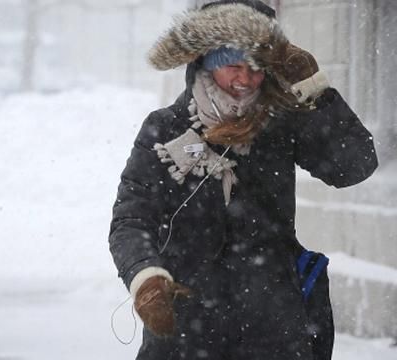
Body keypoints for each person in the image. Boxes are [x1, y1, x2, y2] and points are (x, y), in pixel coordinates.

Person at [108, 1, 378, 359]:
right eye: (233, 65)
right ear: (205, 61)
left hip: (273, 327)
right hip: (186, 330)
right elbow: (131, 219)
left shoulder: (282, 123)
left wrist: (314, 89)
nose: (245, 79)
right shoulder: (166, 127)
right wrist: (145, 277)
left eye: (256, 68)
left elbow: (354, 165)